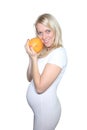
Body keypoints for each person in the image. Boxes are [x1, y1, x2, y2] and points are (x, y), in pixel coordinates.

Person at [25, 13, 67, 130]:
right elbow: (29, 77)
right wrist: (31, 57)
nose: (44, 37)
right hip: (40, 109)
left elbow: (39, 88)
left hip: (47, 111)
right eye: (40, 33)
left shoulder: (58, 53)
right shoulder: (43, 51)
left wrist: (34, 59)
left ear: (55, 30)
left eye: (48, 31)